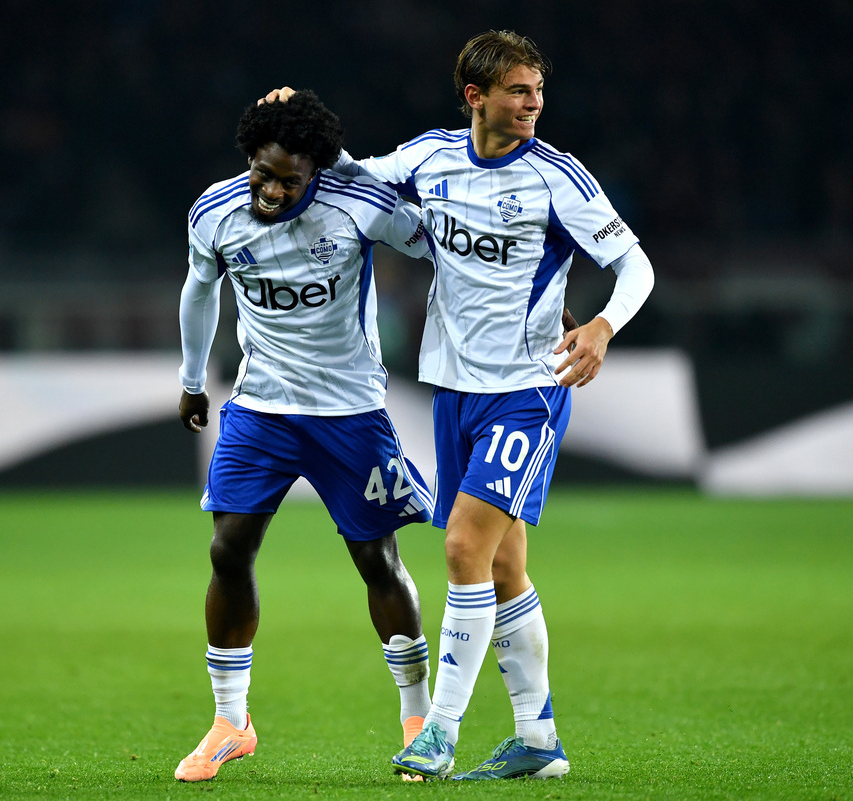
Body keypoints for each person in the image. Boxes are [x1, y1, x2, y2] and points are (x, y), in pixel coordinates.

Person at [264, 29, 655, 781]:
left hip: (528, 390)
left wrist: (603, 323)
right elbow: (352, 175)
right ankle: (538, 738)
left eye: (539, 90)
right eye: (518, 90)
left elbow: (633, 262)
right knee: (504, 567)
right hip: (456, 391)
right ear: (476, 96)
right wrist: (297, 121)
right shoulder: (431, 157)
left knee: (460, 550)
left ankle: (438, 734)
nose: (534, 103)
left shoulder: (557, 177)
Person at [174, 90, 438, 782]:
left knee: (376, 561)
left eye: (291, 177)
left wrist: (345, 164)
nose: (274, 188)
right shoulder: (216, 210)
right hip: (260, 409)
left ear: (318, 169)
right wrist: (194, 377)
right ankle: (231, 720)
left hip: (350, 411)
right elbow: (199, 288)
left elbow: (429, 238)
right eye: (264, 172)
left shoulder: (355, 204)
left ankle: (419, 721)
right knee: (227, 550)